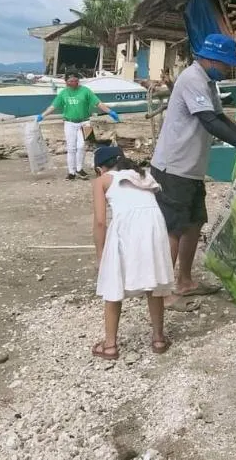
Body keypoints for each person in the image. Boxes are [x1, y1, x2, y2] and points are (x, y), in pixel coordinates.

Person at [150, 34, 236, 307]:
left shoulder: (207, 82)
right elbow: (209, 122)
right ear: (213, 59)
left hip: (192, 168)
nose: (227, 70)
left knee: (194, 223)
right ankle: (163, 294)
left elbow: (219, 117)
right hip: (174, 166)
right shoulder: (192, 79)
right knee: (173, 229)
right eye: (226, 64)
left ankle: (185, 281)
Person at [91, 146, 173, 359]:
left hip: (127, 226)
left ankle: (110, 345)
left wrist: (100, 254)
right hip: (154, 226)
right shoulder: (143, 175)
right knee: (153, 281)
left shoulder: (102, 180)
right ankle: (158, 338)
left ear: (100, 169)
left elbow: (100, 222)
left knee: (114, 281)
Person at [37, 73, 120, 181]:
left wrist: (110, 112)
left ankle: (79, 169)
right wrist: (42, 115)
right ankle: (71, 172)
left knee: (82, 146)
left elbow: (98, 103)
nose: (73, 83)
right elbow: (53, 106)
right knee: (71, 148)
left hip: (85, 122)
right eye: (71, 81)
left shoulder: (86, 91)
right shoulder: (63, 93)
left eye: (76, 81)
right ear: (66, 82)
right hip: (69, 123)